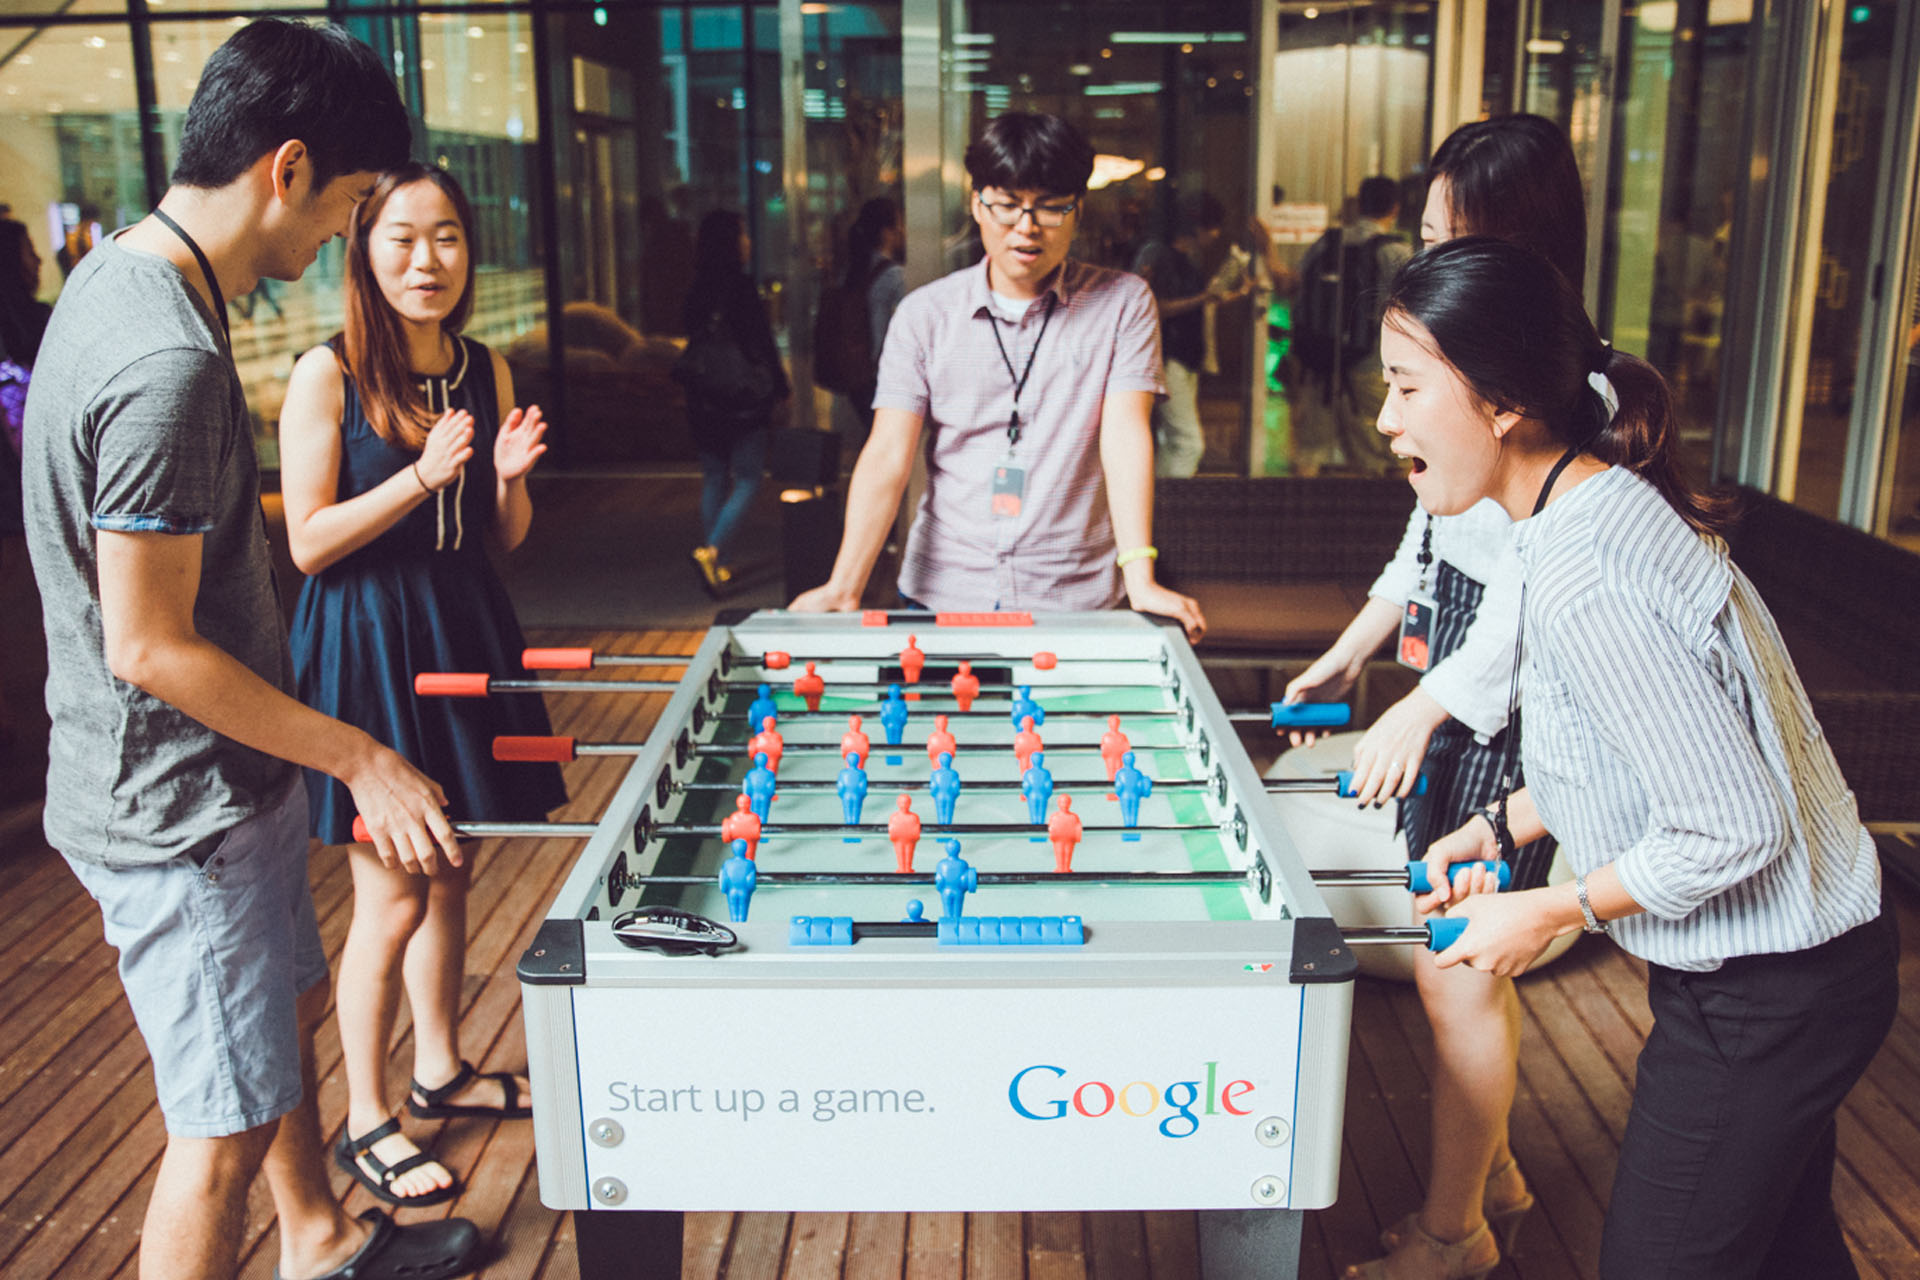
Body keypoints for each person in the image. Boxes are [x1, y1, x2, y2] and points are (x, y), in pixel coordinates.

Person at [21, 18, 480, 1280]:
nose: (343, 235)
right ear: (285, 168)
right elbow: (150, 645)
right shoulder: (165, 354)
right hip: (180, 805)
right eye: (343, 204)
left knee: (270, 1025)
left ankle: (322, 1234)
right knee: (214, 1132)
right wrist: (362, 756)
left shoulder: (122, 273)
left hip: (220, 779)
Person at [1394, 237, 1893, 1280]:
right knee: (1790, 1253)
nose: (1387, 419)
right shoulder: (1585, 507)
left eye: (1405, 385)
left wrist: (1551, 906)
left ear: (1500, 402)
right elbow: (1639, 751)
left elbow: (1732, 825)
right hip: (1790, 970)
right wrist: (1503, 825)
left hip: (1770, 990)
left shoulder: (1588, 574)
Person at [1282, 115, 1588, 1280]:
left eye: (1441, 230)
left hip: (1511, 707)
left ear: (1509, 233)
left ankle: (1455, 1232)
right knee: (1446, 955)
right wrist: (1358, 650)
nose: (1422, 255)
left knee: (1453, 960)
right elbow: (1430, 534)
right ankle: (1493, 1177)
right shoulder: (1473, 345)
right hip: (1460, 682)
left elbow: (1528, 594)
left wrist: (1427, 707)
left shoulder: (1562, 376)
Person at [279, 162, 567, 1209]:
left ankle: (439, 1066)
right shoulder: (330, 372)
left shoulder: (484, 366)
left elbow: (503, 539)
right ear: (364, 251)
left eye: (445, 236)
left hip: (463, 614)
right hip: (368, 634)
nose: (426, 259)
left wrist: (506, 477)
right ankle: (366, 1119)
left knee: (453, 864)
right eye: (401, 238)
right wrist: (417, 474)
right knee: (391, 889)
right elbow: (308, 543)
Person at [788, 112, 1204, 640]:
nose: (1026, 228)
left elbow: (1126, 436)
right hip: (943, 592)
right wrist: (845, 584)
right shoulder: (924, 315)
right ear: (976, 203)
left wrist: (1140, 576)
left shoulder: (1123, 304)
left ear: (1079, 209)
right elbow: (889, 452)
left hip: (1073, 596)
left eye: (1051, 208)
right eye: (1007, 205)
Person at [681, 209, 787, 593]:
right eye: (743, 233)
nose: (749, 241)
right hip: (741, 399)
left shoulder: (696, 288)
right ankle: (713, 551)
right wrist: (780, 385)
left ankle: (719, 563)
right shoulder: (741, 288)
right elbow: (761, 343)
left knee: (714, 476)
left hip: (704, 396)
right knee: (747, 477)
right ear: (731, 242)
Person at [1288, 174, 1412, 476]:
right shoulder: (1396, 252)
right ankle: (1375, 516)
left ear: (1359, 204)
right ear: (1394, 208)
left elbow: (1295, 285)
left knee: (1310, 451)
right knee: (1384, 450)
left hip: (1322, 364)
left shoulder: (1326, 245)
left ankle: (1306, 515)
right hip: (1371, 364)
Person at [1132, 193, 1247, 477]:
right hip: (1167, 356)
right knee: (1188, 443)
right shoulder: (1159, 255)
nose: (1216, 234)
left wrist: (1232, 295)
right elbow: (1153, 306)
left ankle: (1160, 503)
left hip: (1184, 358)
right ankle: (1169, 508)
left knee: (1172, 440)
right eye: (1214, 227)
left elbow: (1194, 302)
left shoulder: (1184, 259)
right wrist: (1204, 297)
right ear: (1199, 228)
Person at [822, 196, 906, 456]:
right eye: (899, 224)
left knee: (873, 439)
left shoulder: (850, 270)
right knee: (883, 445)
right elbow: (889, 333)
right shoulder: (893, 275)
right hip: (878, 374)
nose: (903, 231)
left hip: (854, 374)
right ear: (886, 232)